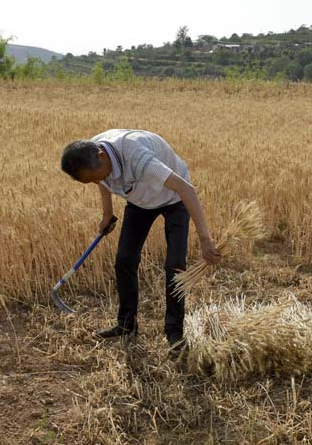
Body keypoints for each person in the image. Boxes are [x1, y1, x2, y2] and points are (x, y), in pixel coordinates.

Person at [60, 130, 221, 352]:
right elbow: (101, 181)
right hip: (139, 202)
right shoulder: (93, 152)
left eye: (97, 175)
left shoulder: (136, 154)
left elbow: (185, 188)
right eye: (92, 180)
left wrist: (205, 239)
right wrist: (107, 212)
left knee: (174, 265)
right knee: (124, 259)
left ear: (102, 157)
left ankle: (174, 332)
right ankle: (126, 325)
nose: (98, 181)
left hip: (173, 199)